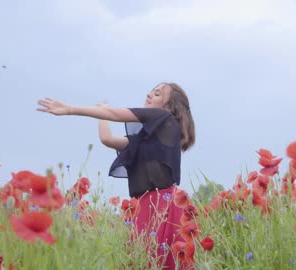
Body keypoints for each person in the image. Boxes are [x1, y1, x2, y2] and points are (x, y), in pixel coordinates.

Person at [37, 82, 195, 269]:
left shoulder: (164, 117)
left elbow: (115, 114)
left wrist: (69, 108)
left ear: (169, 106)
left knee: (154, 261)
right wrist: (101, 112)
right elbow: (108, 139)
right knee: (142, 261)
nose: (149, 94)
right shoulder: (146, 139)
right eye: (151, 91)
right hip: (145, 204)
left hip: (163, 205)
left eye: (157, 94)